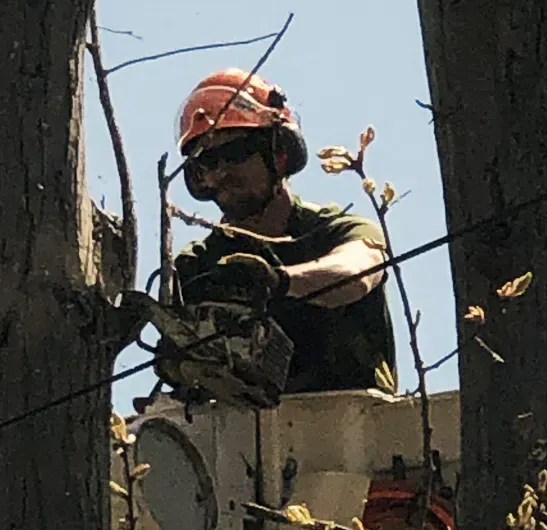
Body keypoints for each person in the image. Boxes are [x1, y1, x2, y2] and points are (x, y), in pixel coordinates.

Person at [170, 68, 397, 396]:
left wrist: (277, 281)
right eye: (206, 164)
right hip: (241, 436)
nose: (220, 174)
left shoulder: (336, 230)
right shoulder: (197, 265)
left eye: (233, 155)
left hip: (353, 430)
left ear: (278, 152)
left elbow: (357, 271)